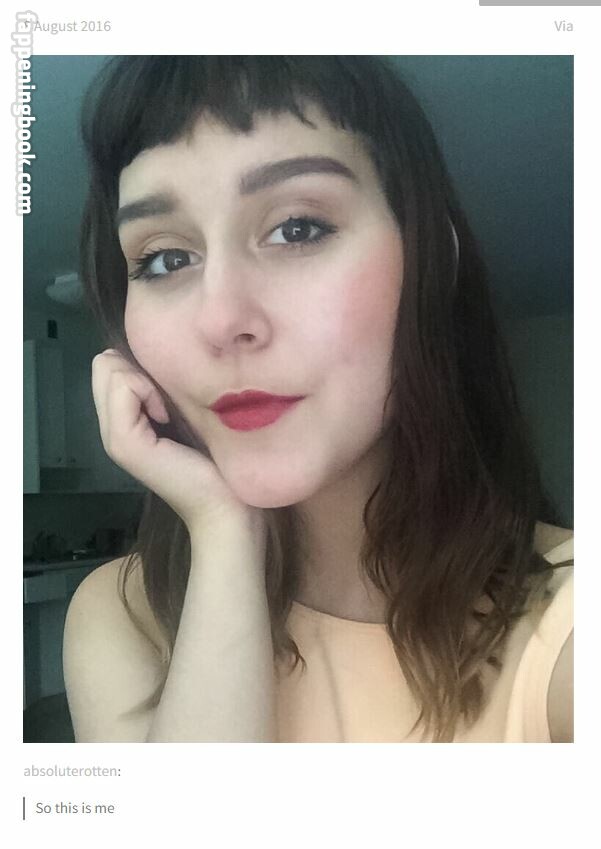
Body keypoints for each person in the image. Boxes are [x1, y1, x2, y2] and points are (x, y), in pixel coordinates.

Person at [63, 56, 573, 743]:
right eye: (165, 259)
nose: (221, 318)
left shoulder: (568, 621)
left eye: (297, 228)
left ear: (431, 263)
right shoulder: (123, 614)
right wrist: (224, 532)